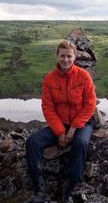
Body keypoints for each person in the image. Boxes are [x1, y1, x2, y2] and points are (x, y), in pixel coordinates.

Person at [26, 40, 97, 203]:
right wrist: (60, 132)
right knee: (33, 142)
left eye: (69, 56)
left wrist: (72, 130)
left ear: (74, 57)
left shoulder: (83, 76)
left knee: (80, 142)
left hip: (82, 122)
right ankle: (39, 189)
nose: (66, 60)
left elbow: (90, 105)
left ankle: (72, 187)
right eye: (62, 56)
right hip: (60, 122)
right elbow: (48, 107)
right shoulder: (50, 79)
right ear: (57, 56)